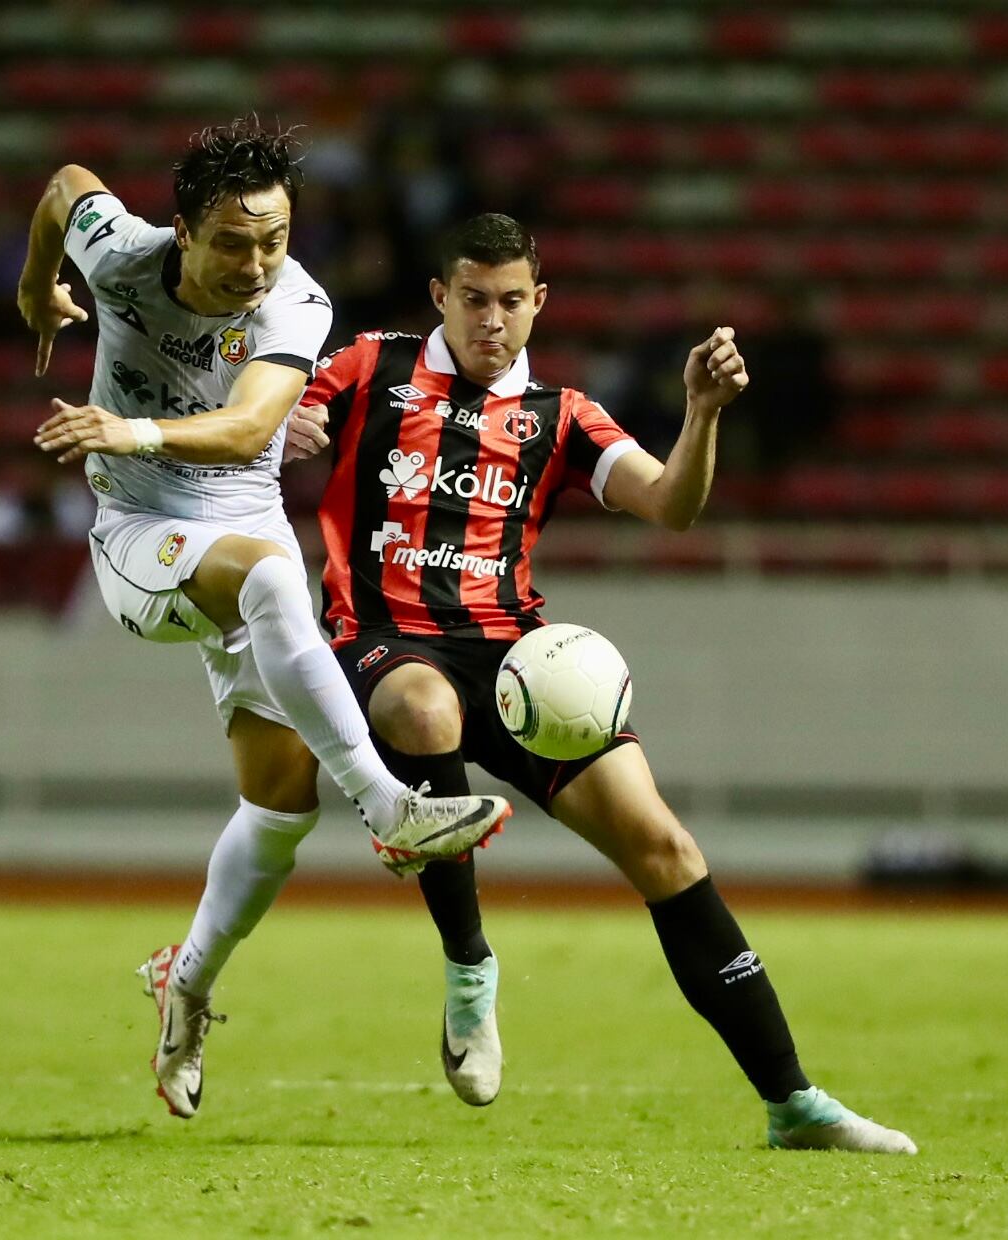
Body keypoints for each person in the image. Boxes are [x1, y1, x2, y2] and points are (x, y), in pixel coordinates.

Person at [166, 212, 917, 1154]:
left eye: (511, 301)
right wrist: (285, 424)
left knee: (666, 848)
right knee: (423, 710)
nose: (492, 319)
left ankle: (792, 1102)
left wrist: (701, 413)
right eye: (473, 299)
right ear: (439, 296)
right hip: (383, 642)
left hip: (519, 666)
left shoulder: (561, 415)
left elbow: (671, 506)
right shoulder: (366, 367)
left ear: (539, 303)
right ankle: (469, 971)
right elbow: (252, 411)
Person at [16, 120, 512, 1120]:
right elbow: (66, 183)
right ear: (182, 233)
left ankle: (186, 985)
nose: (255, 265)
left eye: (274, 240)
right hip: (141, 534)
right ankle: (389, 804)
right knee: (278, 584)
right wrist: (36, 288)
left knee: (282, 808)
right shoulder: (122, 256)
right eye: (233, 243)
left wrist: (128, 425)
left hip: (243, 525)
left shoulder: (297, 299)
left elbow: (250, 430)